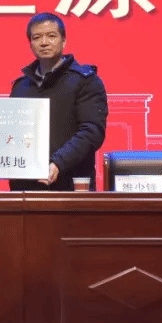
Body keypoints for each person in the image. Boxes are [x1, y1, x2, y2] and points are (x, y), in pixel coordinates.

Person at [9, 13, 108, 191]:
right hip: (25, 188)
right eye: (37, 37)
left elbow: (92, 131)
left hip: (70, 185)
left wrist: (58, 162)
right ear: (30, 43)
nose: (44, 42)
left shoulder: (86, 81)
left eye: (51, 36)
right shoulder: (21, 86)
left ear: (64, 41)